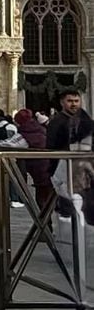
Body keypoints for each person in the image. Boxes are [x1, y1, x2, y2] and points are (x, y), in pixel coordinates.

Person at [47, 88, 94, 235]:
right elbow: (51, 148)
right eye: (70, 101)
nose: (73, 104)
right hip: (65, 171)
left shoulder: (84, 118)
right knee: (69, 207)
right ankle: (71, 244)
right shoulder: (57, 122)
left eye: (76, 101)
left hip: (85, 171)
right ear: (62, 103)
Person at [13, 108, 54, 217]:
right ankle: (45, 227)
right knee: (47, 199)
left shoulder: (25, 134)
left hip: (40, 170)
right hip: (48, 168)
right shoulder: (39, 129)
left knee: (42, 200)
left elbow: (12, 145)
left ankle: (45, 228)